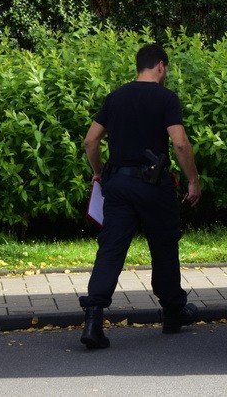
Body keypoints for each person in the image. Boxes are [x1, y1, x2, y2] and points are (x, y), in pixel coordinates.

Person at [78, 43, 201, 349]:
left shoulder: (116, 97)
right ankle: (173, 312)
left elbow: (90, 141)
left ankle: (93, 318)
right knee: (164, 245)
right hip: (154, 186)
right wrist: (193, 181)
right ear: (160, 66)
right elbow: (181, 143)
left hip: (117, 186)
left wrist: (99, 172)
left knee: (111, 248)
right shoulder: (166, 98)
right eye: (166, 69)